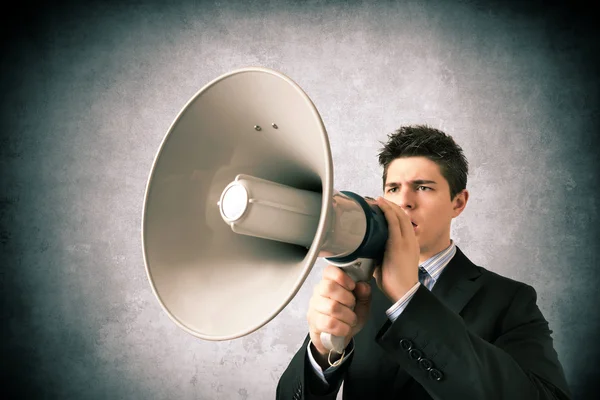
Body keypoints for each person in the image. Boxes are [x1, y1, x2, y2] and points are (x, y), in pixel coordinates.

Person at [276, 125, 571, 399]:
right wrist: (322, 350)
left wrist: (409, 299)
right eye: (393, 188)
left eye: (423, 187)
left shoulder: (510, 300)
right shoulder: (357, 289)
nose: (404, 201)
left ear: (459, 202)